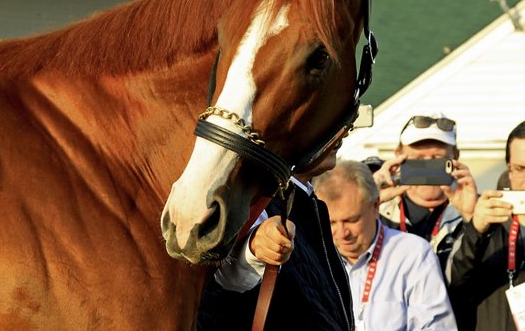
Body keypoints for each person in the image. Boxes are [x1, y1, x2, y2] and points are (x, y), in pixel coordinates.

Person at [196, 148, 354, 331]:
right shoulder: (250, 194)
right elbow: (225, 276)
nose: (342, 132)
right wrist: (254, 247)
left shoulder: (304, 198)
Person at [313, 160, 457, 330]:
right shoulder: (314, 258)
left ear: (375, 206)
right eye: (331, 223)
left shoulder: (413, 254)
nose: (342, 233)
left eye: (351, 220)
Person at [372, 112, 478, 270]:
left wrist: (472, 220)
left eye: (437, 159)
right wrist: (368, 198)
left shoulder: (476, 212)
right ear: (398, 156)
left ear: (455, 156)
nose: (428, 168)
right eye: (419, 159)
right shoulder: (376, 208)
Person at [446, 120, 525, 331]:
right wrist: (475, 228)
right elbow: (455, 283)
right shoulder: (489, 222)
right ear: (509, 170)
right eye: (520, 168)